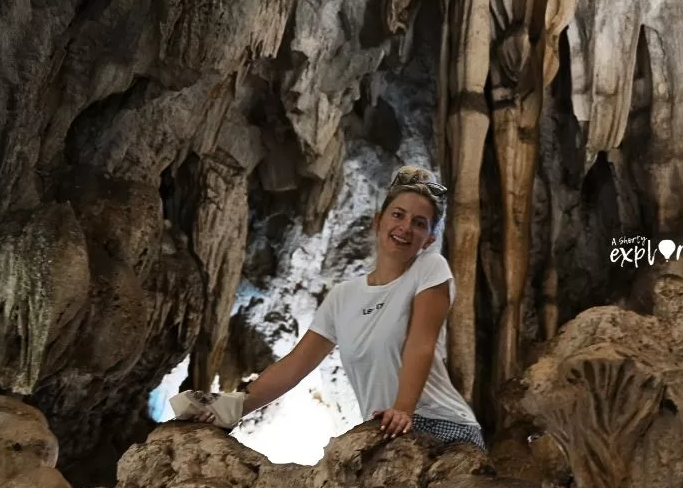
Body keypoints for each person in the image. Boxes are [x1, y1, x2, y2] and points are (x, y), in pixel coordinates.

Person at [191, 165, 485, 450]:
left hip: (442, 425)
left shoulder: (430, 268)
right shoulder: (343, 297)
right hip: (384, 426)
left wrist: (403, 409)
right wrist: (230, 408)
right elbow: (294, 367)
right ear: (378, 220)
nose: (405, 227)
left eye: (419, 223)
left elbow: (421, 344)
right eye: (398, 215)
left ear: (428, 239)